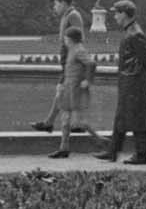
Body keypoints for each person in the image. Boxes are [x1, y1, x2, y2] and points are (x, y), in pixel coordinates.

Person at [94, 0, 146, 165]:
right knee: (122, 117)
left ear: (124, 14)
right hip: (130, 82)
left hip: (135, 84)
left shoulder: (135, 34)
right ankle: (113, 151)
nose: (114, 17)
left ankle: (140, 155)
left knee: (136, 119)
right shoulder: (131, 31)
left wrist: (141, 77)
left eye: (116, 13)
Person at [36, 23, 102, 157]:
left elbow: (91, 64)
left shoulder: (79, 50)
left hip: (75, 90)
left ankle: (100, 140)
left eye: (65, 39)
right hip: (68, 88)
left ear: (70, 39)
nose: (64, 41)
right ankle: (64, 148)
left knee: (78, 122)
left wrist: (87, 81)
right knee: (65, 118)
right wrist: (62, 83)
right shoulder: (72, 50)